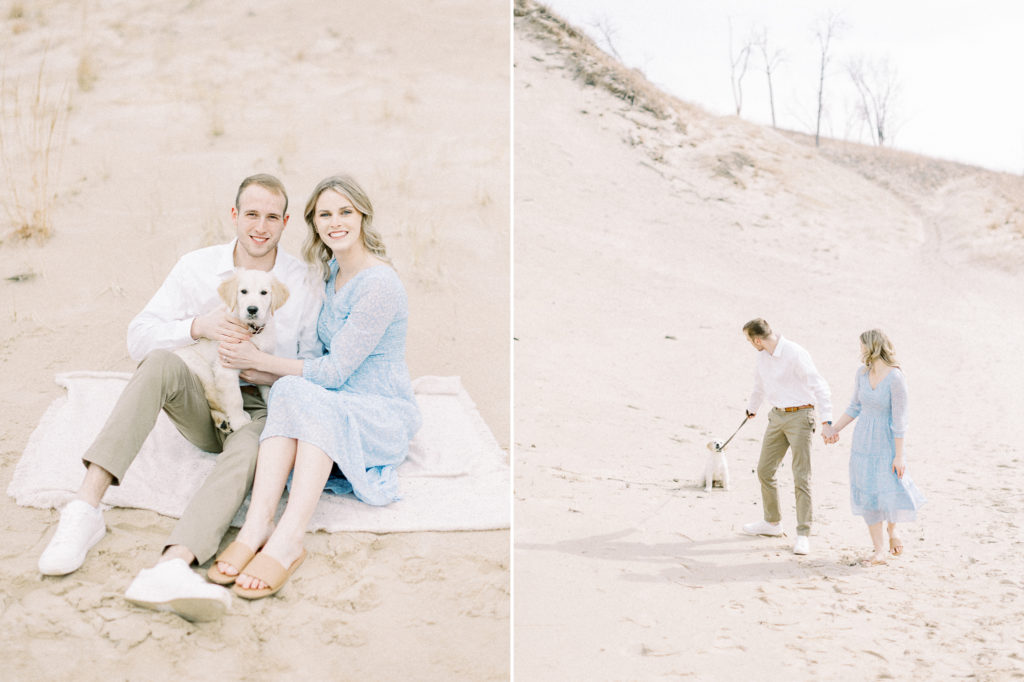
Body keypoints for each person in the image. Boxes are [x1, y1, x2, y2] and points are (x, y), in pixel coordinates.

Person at [37, 174, 321, 621]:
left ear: (286, 222)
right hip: (202, 389)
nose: (260, 227)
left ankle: (173, 565)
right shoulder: (196, 267)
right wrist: (197, 326)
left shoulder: (300, 281)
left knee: (247, 448)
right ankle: (84, 508)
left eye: (272, 217)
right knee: (159, 363)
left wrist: (257, 363)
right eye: (251, 214)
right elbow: (138, 337)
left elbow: (311, 360)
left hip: (266, 401)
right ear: (234, 216)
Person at [208, 174, 421, 599]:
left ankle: (288, 540)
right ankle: (257, 526)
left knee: (298, 388)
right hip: (337, 399)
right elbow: (313, 366)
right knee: (289, 389)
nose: (335, 221)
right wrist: (261, 370)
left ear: (363, 216)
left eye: (345, 212)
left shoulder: (378, 284)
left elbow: (335, 371)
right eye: (325, 214)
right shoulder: (331, 276)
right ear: (313, 223)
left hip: (378, 410)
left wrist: (260, 362)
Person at [824, 329, 925, 565]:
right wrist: (834, 429)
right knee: (867, 492)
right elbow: (854, 407)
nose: (860, 350)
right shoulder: (862, 373)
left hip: (887, 442)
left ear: (872, 346)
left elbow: (900, 420)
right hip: (862, 443)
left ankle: (893, 531)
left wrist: (899, 456)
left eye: (862, 346)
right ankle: (878, 550)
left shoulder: (896, 378)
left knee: (889, 487)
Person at [740, 318, 835, 555]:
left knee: (801, 477)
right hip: (776, 417)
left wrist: (827, 421)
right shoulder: (762, 357)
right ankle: (772, 523)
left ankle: (803, 534)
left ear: (758, 339)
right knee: (764, 469)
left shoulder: (795, 353)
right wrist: (752, 408)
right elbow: (759, 386)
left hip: (801, 417)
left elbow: (820, 386)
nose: (751, 344)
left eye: (750, 340)